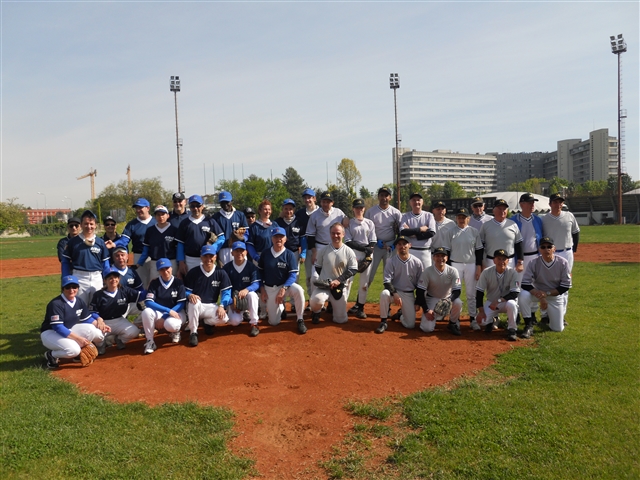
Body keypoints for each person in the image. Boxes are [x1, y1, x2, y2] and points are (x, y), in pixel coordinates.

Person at [41, 275, 110, 369]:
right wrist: (78, 338)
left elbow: (87, 319)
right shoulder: (56, 304)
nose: (71, 290)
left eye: (74, 287)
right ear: (62, 289)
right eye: (68, 287)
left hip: (68, 329)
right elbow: (58, 327)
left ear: (78, 288)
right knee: (73, 350)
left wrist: (101, 325)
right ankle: (51, 355)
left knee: (92, 330)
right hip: (50, 333)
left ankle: (77, 354)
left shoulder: (79, 301)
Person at [519, 237, 572, 336]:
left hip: (554, 296)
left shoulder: (563, 262)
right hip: (538, 293)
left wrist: (546, 294)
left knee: (557, 329)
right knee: (523, 295)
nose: (546, 249)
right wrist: (541, 296)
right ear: (540, 249)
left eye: (549, 246)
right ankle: (528, 325)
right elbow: (525, 283)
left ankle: (550, 319)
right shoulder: (533, 262)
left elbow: (565, 286)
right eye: (543, 247)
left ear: (554, 249)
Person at [258, 226, 306, 334]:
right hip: (270, 288)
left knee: (298, 289)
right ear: (272, 239)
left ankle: (300, 319)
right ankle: (281, 307)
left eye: (281, 237)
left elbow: (293, 274)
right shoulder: (265, 253)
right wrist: (262, 289)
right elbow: (259, 273)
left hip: (285, 286)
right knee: (274, 322)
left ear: (285, 239)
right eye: (276, 237)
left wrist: (284, 288)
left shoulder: (289, 254)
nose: (278, 239)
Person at [442, 208, 484, 331]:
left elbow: (479, 250)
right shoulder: (451, 232)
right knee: (456, 292)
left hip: (471, 264)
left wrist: (478, 266)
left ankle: (472, 319)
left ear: (468, 218)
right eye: (459, 217)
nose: (461, 219)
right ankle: (455, 319)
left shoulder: (474, 231)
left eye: (464, 217)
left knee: (471, 294)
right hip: (455, 264)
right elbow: (447, 251)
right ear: (456, 218)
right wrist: (448, 268)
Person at [374, 236, 426, 334]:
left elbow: (420, 284)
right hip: (394, 292)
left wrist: (418, 302)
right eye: (399, 244)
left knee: (410, 325)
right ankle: (383, 322)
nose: (402, 246)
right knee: (384, 294)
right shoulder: (391, 261)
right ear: (396, 246)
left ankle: (400, 315)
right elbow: (386, 281)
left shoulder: (417, 262)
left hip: (408, 294)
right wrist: (395, 293)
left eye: (404, 244)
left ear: (409, 245)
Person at [183, 245, 233, 347]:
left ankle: (207, 323)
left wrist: (222, 306)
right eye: (206, 256)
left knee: (224, 319)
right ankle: (193, 332)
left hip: (211, 305)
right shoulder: (194, 272)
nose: (208, 259)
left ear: (215, 257)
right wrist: (190, 295)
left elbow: (226, 293)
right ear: (201, 257)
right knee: (194, 301)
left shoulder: (221, 272)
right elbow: (184, 291)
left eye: (211, 256)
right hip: (197, 306)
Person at [309, 223, 358, 325]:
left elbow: (353, 269)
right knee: (315, 301)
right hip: (324, 286)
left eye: (338, 233)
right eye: (333, 233)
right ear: (330, 234)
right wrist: (325, 279)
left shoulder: (348, 251)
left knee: (341, 320)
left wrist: (338, 280)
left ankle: (333, 306)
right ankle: (316, 312)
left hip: (340, 286)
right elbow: (318, 267)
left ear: (343, 234)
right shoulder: (323, 250)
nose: (335, 236)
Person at [89, 266, 143, 354]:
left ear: (119, 279)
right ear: (104, 280)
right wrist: (98, 318)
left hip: (119, 320)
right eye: (110, 278)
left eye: (115, 277)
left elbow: (140, 295)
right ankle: (101, 345)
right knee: (96, 335)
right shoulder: (98, 295)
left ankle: (118, 339)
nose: (113, 280)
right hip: (105, 323)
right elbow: (92, 311)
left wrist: (152, 288)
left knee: (134, 332)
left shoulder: (124, 290)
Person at [61, 210, 110, 305]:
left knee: (98, 307)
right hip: (79, 277)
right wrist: (66, 279)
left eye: (91, 224)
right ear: (81, 225)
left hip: (96, 278)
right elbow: (65, 262)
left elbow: (105, 264)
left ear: (95, 225)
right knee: (79, 308)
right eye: (86, 224)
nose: (89, 226)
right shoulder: (73, 242)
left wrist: (106, 279)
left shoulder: (100, 243)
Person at [140, 258, 187, 355]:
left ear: (171, 268)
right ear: (158, 271)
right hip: (162, 312)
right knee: (146, 312)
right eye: (162, 269)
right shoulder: (155, 283)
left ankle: (175, 331)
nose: (165, 271)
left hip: (177, 312)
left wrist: (165, 316)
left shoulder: (178, 282)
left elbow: (181, 303)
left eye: (167, 268)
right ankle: (150, 341)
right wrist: (167, 311)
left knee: (171, 325)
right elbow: (148, 302)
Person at [475, 249, 521, 341]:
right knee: (481, 322)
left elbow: (514, 293)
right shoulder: (486, 272)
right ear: (494, 260)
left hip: (506, 302)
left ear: (508, 261)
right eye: (499, 259)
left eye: (504, 259)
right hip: (492, 302)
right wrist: (481, 311)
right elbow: (479, 292)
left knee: (512, 304)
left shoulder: (513, 273)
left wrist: (499, 301)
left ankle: (512, 329)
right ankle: (492, 321)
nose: (501, 261)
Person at [175, 194, 225, 277]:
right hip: (190, 259)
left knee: (207, 281)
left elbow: (222, 238)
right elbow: (180, 243)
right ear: (189, 207)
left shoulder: (210, 221)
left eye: (198, 205)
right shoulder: (184, 223)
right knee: (191, 283)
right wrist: (180, 261)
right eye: (192, 206)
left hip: (207, 258)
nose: (195, 208)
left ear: (202, 206)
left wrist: (213, 248)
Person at [419, 247, 463, 335]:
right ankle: (436, 315)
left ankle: (453, 323)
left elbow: (457, 290)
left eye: (443, 256)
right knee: (427, 329)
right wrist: (426, 310)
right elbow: (420, 291)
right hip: (432, 299)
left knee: (458, 303)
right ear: (433, 258)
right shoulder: (427, 271)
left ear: (447, 258)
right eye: (437, 256)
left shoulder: (453, 271)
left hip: (447, 298)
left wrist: (449, 300)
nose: (440, 258)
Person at [344, 198, 377, 318]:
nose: (359, 209)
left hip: (367, 254)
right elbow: (348, 242)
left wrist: (368, 254)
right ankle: (342, 307)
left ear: (364, 208)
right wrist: (365, 249)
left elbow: (373, 240)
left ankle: (361, 308)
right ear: (353, 209)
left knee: (364, 284)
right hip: (353, 254)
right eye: (357, 207)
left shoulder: (369, 223)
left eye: (361, 207)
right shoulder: (350, 223)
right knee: (347, 282)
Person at [112, 198, 156, 288]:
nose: (138, 210)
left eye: (140, 207)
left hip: (155, 257)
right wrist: (114, 244)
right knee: (141, 282)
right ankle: (142, 301)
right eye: (136, 208)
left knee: (155, 282)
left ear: (148, 208)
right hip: (139, 256)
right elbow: (125, 239)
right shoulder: (132, 224)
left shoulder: (156, 222)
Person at [364, 186, 402, 286]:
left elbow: (402, 230)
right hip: (375, 245)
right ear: (378, 197)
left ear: (390, 197)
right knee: (369, 274)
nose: (384, 198)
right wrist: (375, 240)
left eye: (386, 195)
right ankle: (361, 299)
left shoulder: (396, 212)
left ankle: (387, 299)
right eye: (381, 195)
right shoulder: (370, 211)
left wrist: (395, 243)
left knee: (389, 275)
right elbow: (365, 230)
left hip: (391, 245)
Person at [223, 241, 261, 337]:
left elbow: (256, 283)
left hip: (247, 296)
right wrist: (231, 302)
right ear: (232, 253)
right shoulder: (227, 268)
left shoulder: (251, 267)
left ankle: (254, 323)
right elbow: (224, 288)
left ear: (246, 252)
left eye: (242, 251)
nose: (239, 253)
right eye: (237, 251)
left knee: (253, 295)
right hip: (234, 299)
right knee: (234, 322)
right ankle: (242, 313)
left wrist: (247, 289)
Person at [275, 198, 306, 315]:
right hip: (281, 253)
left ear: (294, 210)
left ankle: (293, 304)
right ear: (282, 210)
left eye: (290, 209)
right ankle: (281, 303)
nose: (288, 211)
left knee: (295, 278)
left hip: (294, 253)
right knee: (281, 278)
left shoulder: (298, 222)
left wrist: (303, 253)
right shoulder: (277, 222)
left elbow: (302, 239)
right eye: (286, 209)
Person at [479, 199, 524, 271]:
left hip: (509, 261)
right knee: (492, 282)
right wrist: (481, 263)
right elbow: (481, 247)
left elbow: (519, 244)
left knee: (509, 282)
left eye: (504, 209)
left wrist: (520, 262)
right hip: (491, 261)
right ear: (493, 210)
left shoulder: (513, 224)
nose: (502, 211)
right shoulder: (486, 226)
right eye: (499, 209)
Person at [136, 205, 178, 282]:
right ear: (155, 216)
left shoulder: (174, 230)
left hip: (171, 262)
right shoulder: (150, 230)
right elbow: (146, 250)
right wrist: (139, 263)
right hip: (155, 262)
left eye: (163, 214)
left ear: (168, 215)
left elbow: (178, 249)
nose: (160, 217)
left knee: (171, 284)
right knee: (154, 284)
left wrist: (179, 263)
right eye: (158, 214)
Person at [541, 193, 580, 274]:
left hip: (567, 252)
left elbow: (575, 233)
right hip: (550, 253)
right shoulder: (544, 219)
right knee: (551, 277)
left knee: (566, 277)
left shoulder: (569, 216)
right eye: (555, 202)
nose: (558, 205)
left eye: (560, 202)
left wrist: (573, 250)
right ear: (550, 204)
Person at [399, 192, 436, 268]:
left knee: (425, 277)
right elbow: (403, 232)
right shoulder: (405, 216)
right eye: (414, 200)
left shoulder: (429, 215)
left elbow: (431, 233)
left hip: (425, 252)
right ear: (410, 202)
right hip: (411, 251)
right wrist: (420, 229)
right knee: (410, 277)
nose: (416, 202)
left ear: (422, 202)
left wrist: (412, 233)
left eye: (418, 200)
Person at [213, 191, 248, 266]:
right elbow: (213, 239)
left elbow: (247, 233)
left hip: (239, 248)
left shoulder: (240, 215)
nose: (225, 204)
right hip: (223, 250)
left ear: (231, 202)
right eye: (222, 202)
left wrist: (241, 238)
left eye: (227, 202)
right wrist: (218, 258)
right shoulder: (215, 217)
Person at [295, 188, 319, 298]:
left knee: (321, 275)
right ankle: (311, 298)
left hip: (321, 247)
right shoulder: (300, 213)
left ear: (314, 198)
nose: (307, 200)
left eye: (309, 197)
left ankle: (322, 300)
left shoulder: (320, 212)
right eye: (305, 198)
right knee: (309, 276)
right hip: (308, 248)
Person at [247, 199, 274, 265]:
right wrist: (256, 258)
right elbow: (249, 244)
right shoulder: (254, 227)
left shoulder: (275, 225)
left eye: (269, 209)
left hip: (273, 257)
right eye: (265, 209)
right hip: (259, 258)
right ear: (259, 211)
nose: (267, 211)